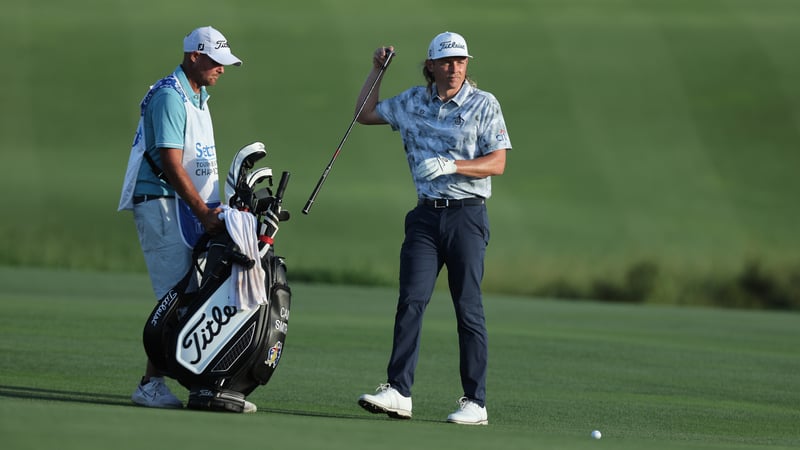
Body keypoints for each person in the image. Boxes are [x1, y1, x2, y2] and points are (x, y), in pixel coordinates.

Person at [355, 31, 511, 425]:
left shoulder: (483, 103)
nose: (455, 67)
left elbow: (496, 162)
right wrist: (376, 70)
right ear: (431, 66)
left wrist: (452, 165)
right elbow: (364, 114)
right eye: (446, 61)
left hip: (467, 216)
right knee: (411, 300)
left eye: (461, 61)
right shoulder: (412, 101)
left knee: (467, 307)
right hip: (425, 217)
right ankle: (398, 391)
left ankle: (475, 402)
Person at [117, 26, 255, 412]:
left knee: (192, 296)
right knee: (176, 299)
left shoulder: (197, 95)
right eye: (215, 61)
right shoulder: (169, 97)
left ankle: (200, 383)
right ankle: (150, 384)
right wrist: (201, 210)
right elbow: (171, 164)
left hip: (187, 207)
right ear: (194, 56)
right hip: (163, 205)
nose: (221, 70)